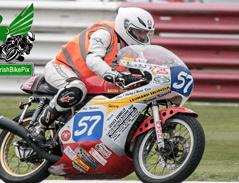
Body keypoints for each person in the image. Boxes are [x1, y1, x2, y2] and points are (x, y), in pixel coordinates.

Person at [29, 7, 155, 144]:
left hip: (88, 79)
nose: (143, 37)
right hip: (62, 67)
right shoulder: (105, 33)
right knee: (76, 89)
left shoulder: (134, 48)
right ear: (125, 27)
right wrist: (116, 76)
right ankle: (39, 127)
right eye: (139, 32)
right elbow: (93, 60)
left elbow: (143, 70)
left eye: (146, 32)